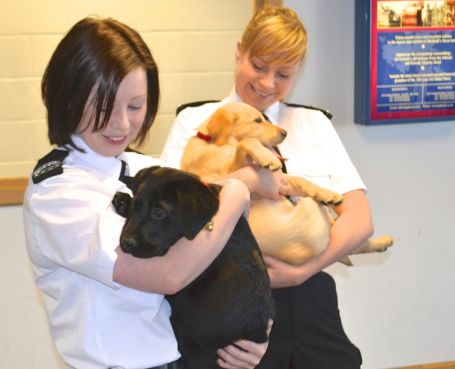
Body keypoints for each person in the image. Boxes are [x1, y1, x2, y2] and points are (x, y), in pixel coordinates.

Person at [23, 16, 284, 369]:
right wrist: (238, 191)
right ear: (67, 95)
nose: (122, 124)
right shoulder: (57, 192)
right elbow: (169, 274)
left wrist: (246, 336)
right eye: (104, 107)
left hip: (182, 356)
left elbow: (223, 239)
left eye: (135, 106)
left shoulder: (139, 166)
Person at [161, 6, 374, 369]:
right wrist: (247, 180)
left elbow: (359, 220)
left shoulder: (312, 124)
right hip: (229, 300)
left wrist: (303, 271)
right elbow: (177, 218)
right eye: (259, 66)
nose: (267, 84)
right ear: (239, 50)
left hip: (311, 301)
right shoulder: (195, 123)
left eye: (283, 74)